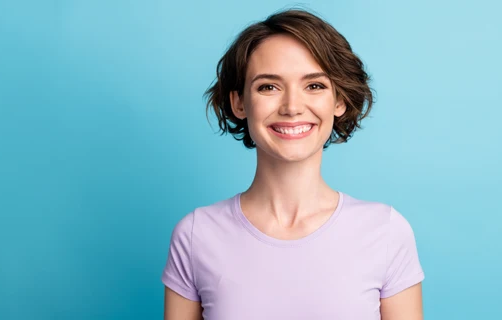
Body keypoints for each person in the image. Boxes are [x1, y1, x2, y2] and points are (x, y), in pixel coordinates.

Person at [162, 8, 424, 320]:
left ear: (339, 101)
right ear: (239, 103)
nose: (292, 107)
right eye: (268, 86)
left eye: (314, 85)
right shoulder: (196, 235)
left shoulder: (386, 232)